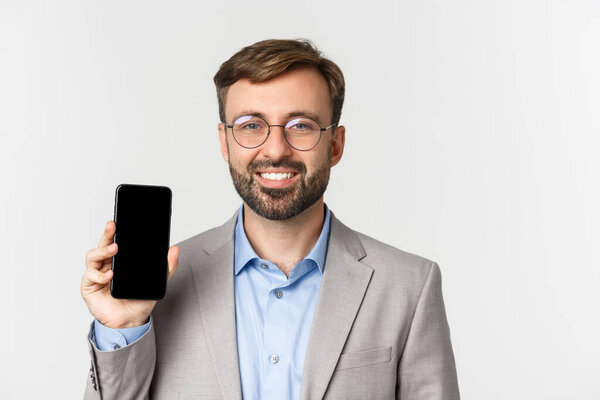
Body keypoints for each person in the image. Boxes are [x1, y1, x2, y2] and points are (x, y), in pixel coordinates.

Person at [81, 39, 460, 400]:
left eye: (301, 125)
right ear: (224, 143)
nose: (276, 150)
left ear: (336, 144)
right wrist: (123, 329)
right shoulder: (158, 286)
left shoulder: (409, 287)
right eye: (250, 125)